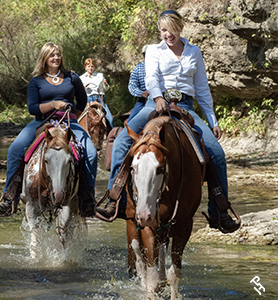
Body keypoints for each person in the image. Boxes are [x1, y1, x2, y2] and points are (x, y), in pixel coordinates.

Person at [95, 10, 241, 233]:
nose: (167, 34)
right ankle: (115, 200)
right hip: (155, 104)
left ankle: (219, 210)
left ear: (179, 28)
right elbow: (151, 76)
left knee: (217, 154)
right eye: (163, 30)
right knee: (123, 140)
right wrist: (157, 97)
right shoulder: (154, 50)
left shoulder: (194, 52)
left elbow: (202, 87)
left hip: (184, 106)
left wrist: (212, 120)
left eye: (170, 29)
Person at [0, 42, 97, 216]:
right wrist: (53, 104)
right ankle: (9, 196)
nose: (56, 58)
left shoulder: (72, 77)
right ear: (44, 58)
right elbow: (32, 108)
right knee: (14, 150)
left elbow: (81, 101)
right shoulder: (36, 81)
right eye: (52, 55)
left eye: (58, 54)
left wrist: (73, 117)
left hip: (69, 123)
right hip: (42, 122)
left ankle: (87, 198)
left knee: (91, 153)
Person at [80, 58, 113, 132]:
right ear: (85, 67)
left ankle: (109, 137)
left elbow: (105, 89)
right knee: (80, 118)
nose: (90, 68)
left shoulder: (100, 76)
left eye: (92, 66)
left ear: (94, 67)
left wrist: (105, 84)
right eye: (88, 66)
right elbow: (79, 91)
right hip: (88, 99)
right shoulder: (81, 78)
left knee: (109, 118)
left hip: (99, 98)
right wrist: (84, 88)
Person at [127, 45, 150, 121]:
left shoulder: (161, 67)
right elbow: (132, 85)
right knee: (131, 121)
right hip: (143, 100)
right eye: (145, 55)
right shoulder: (138, 68)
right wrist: (141, 93)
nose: (147, 56)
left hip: (160, 98)